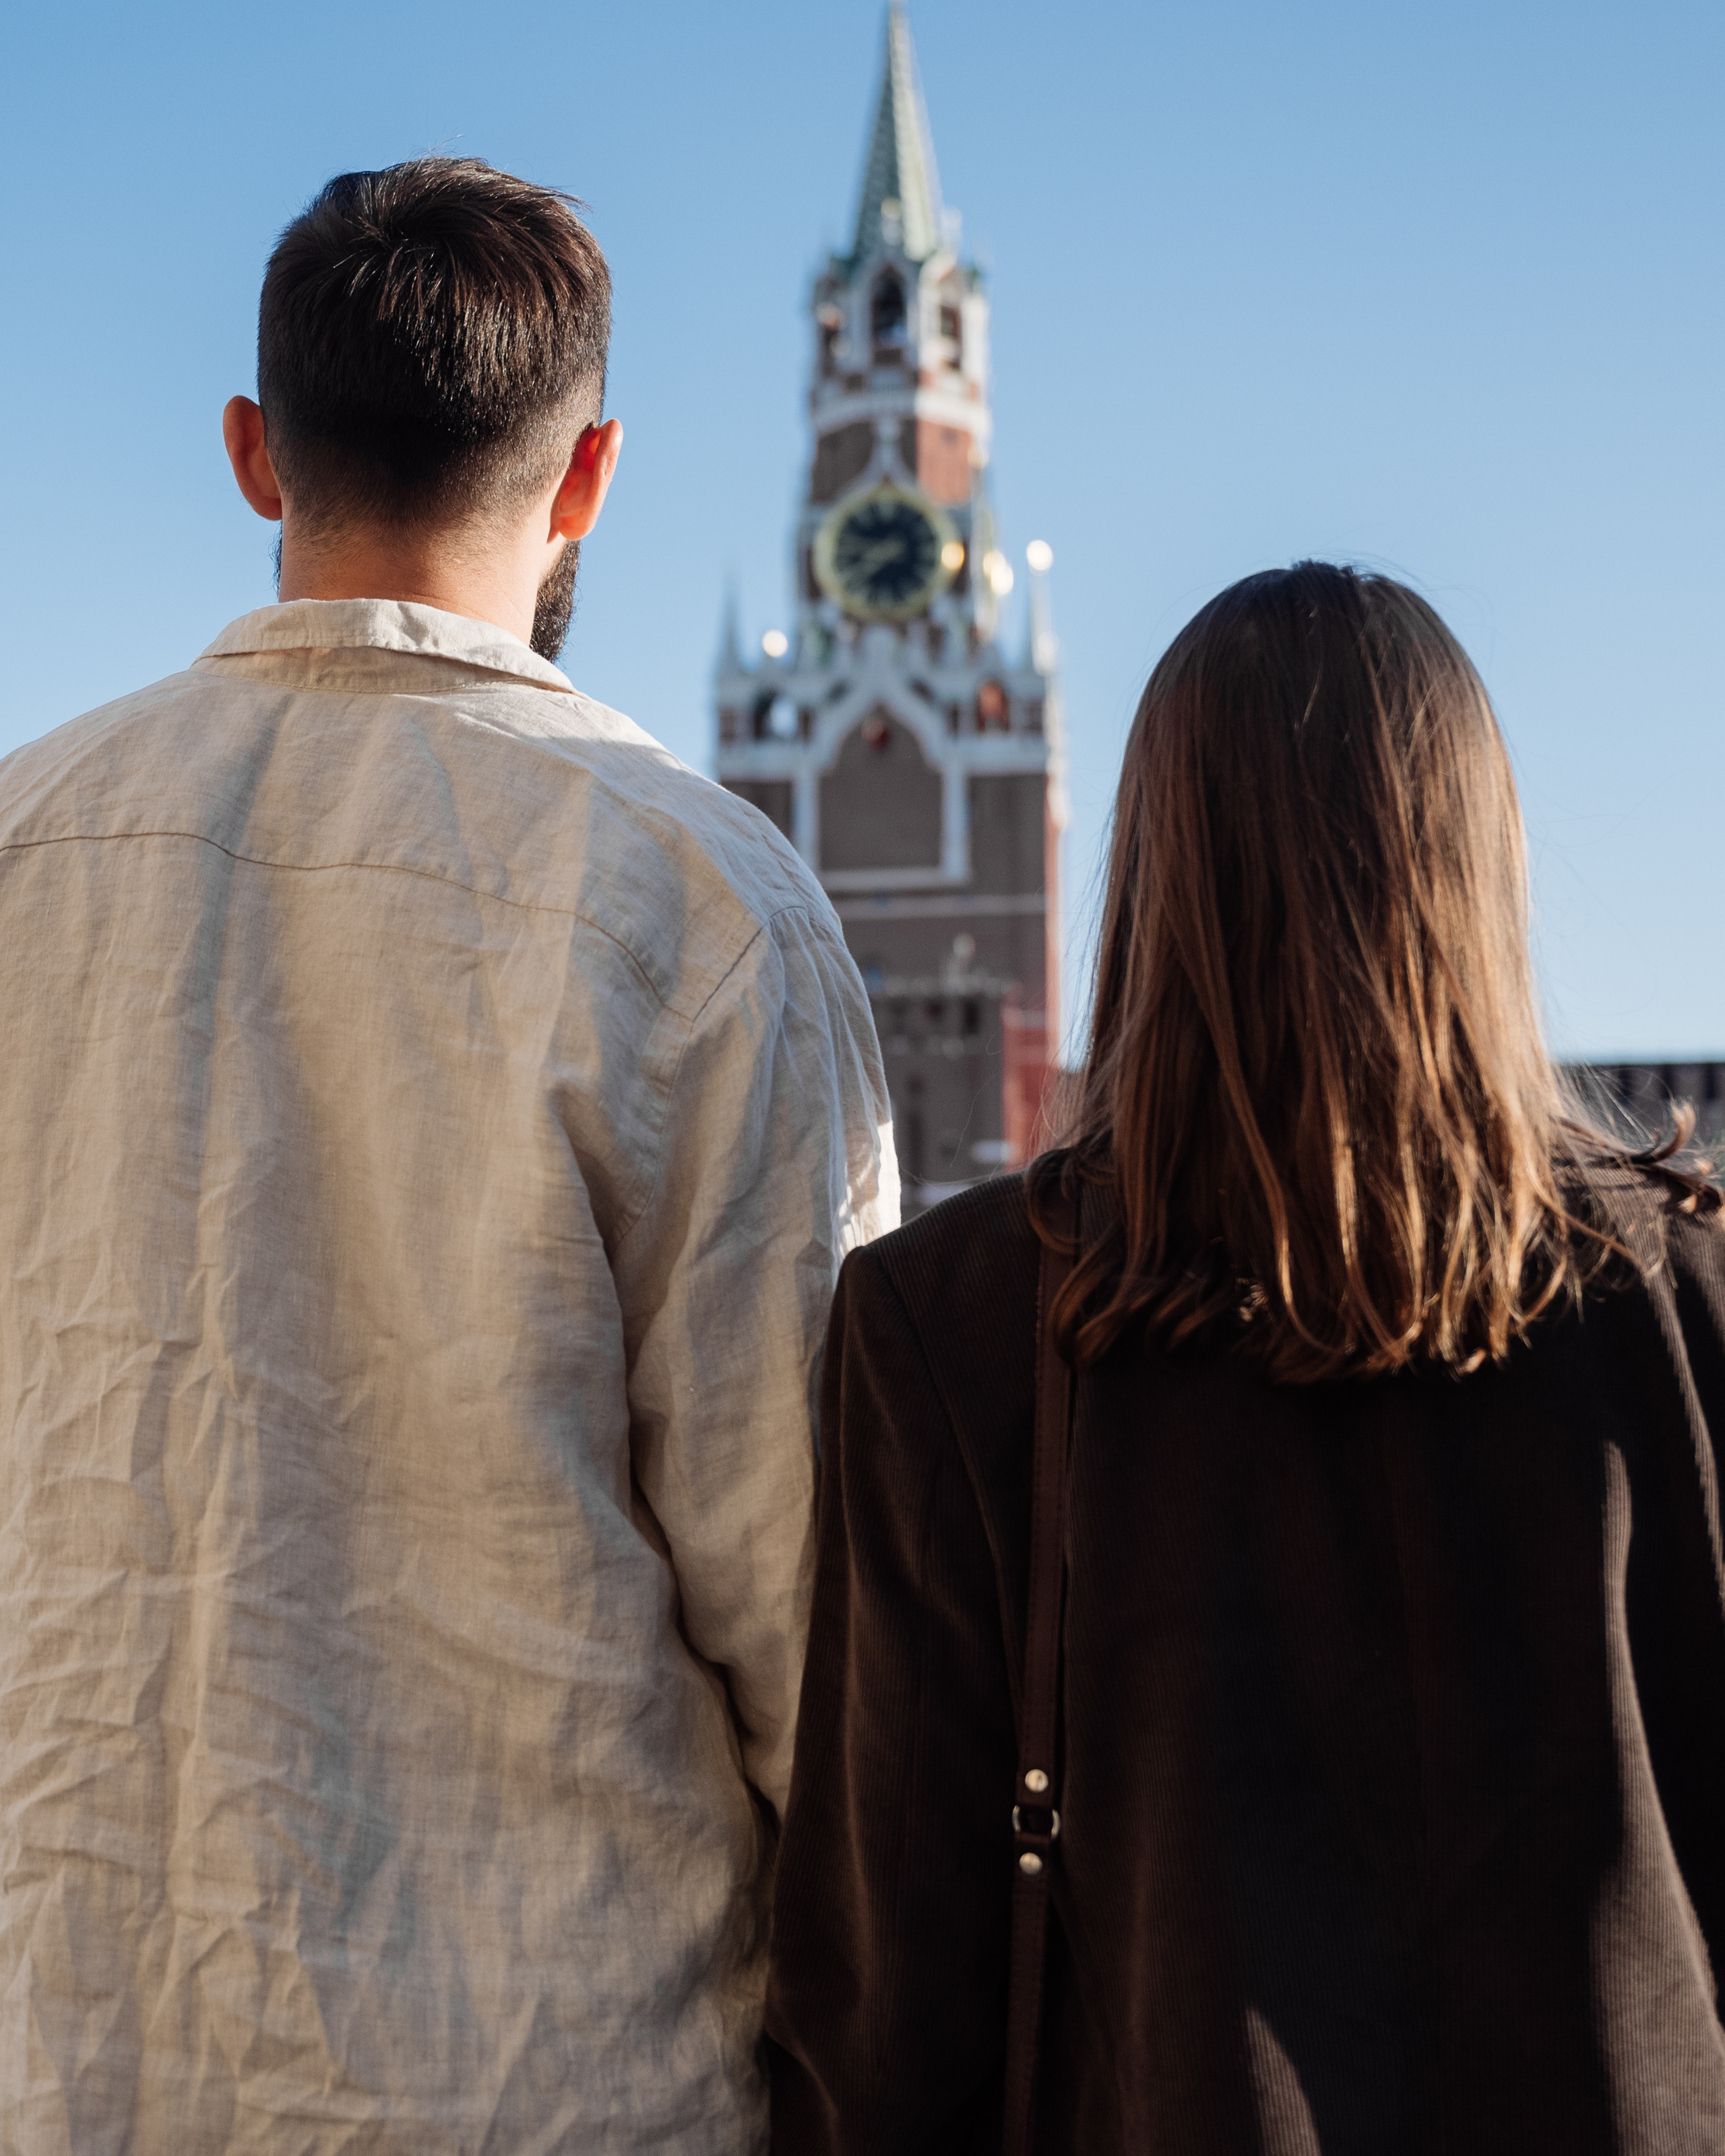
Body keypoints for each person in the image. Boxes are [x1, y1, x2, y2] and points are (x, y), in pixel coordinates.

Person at [0, 159, 895, 2153]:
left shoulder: (21, 850)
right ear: (587, 476)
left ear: (254, 453)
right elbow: (818, 1608)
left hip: (70, 2055)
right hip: (547, 2077)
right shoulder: (702, 902)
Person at [765, 563, 1725, 2154]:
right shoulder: (1681, 1301)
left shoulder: (954, 1321)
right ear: (1478, 862)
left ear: (1151, 868)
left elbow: (881, 1999)